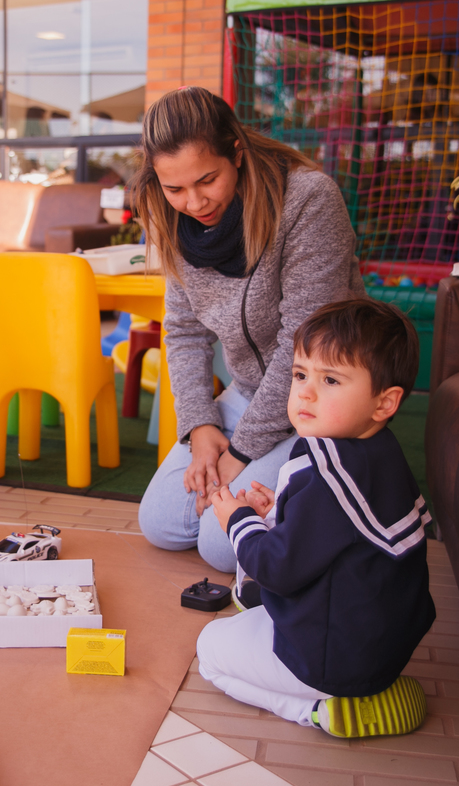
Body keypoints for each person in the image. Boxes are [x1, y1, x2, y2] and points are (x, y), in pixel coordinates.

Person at [131, 86, 364, 572]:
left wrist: (238, 454)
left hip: (318, 396)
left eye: (207, 180)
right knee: (163, 523)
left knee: (221, 545)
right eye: (175, 189)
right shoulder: (169, 216)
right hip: (250, 392)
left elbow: (305, 345)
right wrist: (200, 428)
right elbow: (184, 331)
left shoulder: (308, 199)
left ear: (235, 150)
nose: (194, 202)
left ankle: (331, 486)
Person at [197, 298, 435, 737]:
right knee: (250, 614)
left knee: (208, 650)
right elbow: (339, 537)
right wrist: (276, 514)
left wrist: (239, 519)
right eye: (301, 374)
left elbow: (276, 568)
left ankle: (321, 711)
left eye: (330, 380)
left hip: (333, 660)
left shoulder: (327, 473)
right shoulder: (379, 454)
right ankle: (356, 685)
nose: (305, 392)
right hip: (383, 645)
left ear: (384, 403)